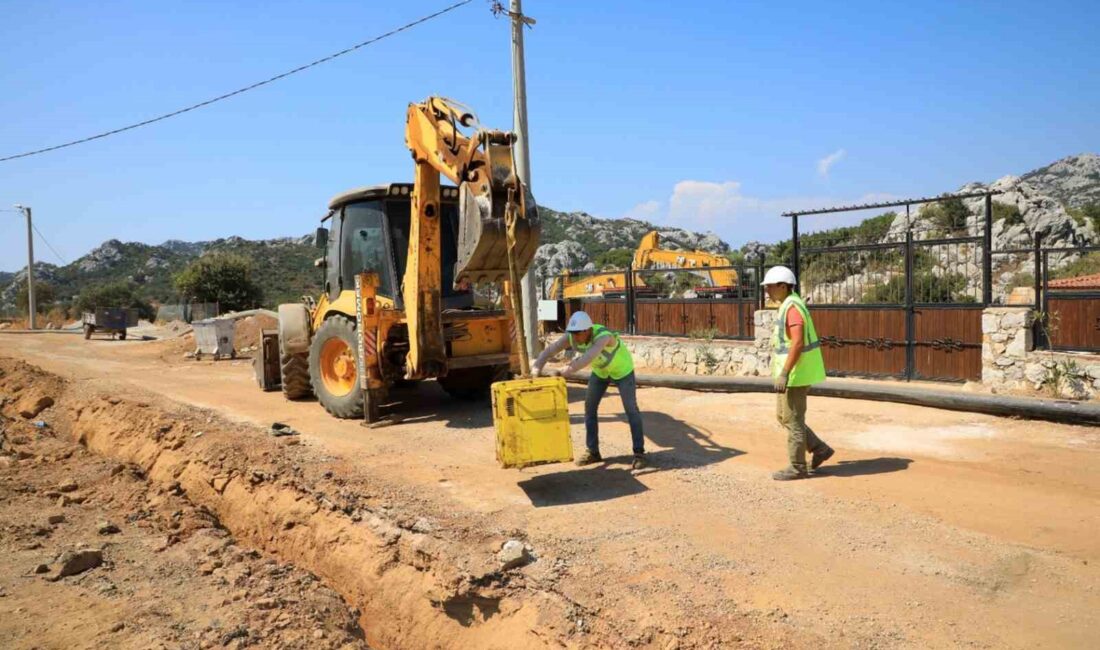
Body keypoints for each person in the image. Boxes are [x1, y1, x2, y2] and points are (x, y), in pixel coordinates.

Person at [532, 311, 647, 469]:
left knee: (631, 409)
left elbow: (586, 359)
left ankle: (639, 453)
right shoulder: (572, 335)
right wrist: (536, 368)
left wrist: (560, 372)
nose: (575, 338)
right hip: (601, 372)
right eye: (572, 333)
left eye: (578, 334)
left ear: (587, 330)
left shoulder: (603, 337)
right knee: (589, 408)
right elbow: (550, 350)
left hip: (622, 371)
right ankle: (593, 452)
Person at [762, 266, 835, 480]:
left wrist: (784, 372)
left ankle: (797, 466)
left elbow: (797, 342)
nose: (767, 291)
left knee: (793, 420)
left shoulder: (792, 307)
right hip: (793, 373)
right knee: (784, 417)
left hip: (795, 374)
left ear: (783, 286)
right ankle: (819, 448)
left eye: (770, 287)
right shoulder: (788, 304)